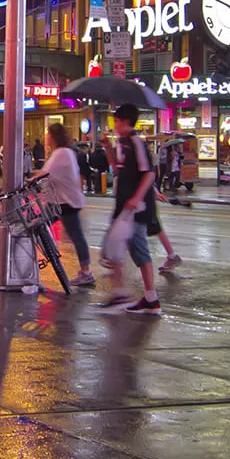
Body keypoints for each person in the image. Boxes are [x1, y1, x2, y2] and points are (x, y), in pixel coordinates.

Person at [99, 105, 161, 314]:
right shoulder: (123, 143)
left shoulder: (136, 142)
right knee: (115, 248)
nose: (114, 125)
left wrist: (135, 198)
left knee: (137, 250)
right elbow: (117, 169)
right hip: (123, 206)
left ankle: (146, 298)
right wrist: (108, 148)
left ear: (126, 122)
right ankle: (127, 294)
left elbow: (149, 173)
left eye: (117, 121)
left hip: (135, 208)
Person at [30, 123, 94, 287]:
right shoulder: (65, 152)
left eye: (48, 134)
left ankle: (86, 272)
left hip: (65, 202)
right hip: (61, 200)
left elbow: (45, 173)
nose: (46, 137)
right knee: (41, 226)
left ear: (53, 136)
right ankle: (82, 269)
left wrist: (29, 179)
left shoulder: (61, 153)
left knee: (40, 227)